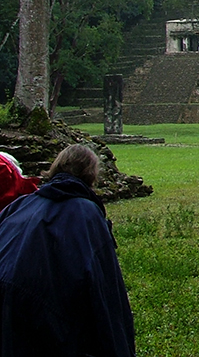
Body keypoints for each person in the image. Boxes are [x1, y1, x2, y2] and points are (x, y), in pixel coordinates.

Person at [0, 144, 135, 356]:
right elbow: (107, 296)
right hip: (43, 309)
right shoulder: (87, 215)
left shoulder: (19, 205)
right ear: (91, 175)